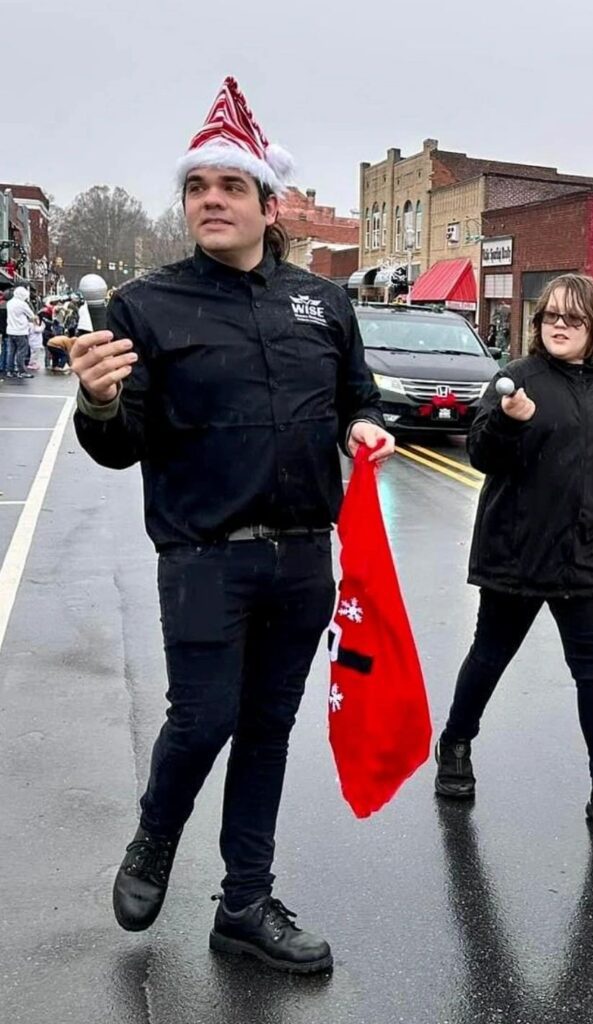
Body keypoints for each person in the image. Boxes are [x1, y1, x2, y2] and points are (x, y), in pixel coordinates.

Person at [71, 76, 394, 973]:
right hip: (203, 557)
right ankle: (153, 838)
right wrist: (99, 404)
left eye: (229, 186)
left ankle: (244, 904)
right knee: (203, 718)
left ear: (266, 202)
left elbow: (354, 400)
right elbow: (120, 444)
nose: (210, 199)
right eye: (195, 187)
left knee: (266, 730)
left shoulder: (322, 305)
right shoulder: (147, 304)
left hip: (302, 561)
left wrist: (364, 426)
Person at [433, 273, 593, 845]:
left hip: (585, 555)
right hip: (517, 551)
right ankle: (455, 743)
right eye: (550, 316)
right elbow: (482, 454)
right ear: (537, 325)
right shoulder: (516, 379)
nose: (559, 325)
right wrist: (511, 419)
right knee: (490, 655)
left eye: (573, 318)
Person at [6, 285, 37, 380]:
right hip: (21, 331)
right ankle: (21, 371)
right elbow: (32, 315)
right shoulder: (22, 304)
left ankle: (10, 370)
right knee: (21, 352)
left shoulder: (9, 303)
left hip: (10, 330)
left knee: (11, 351)